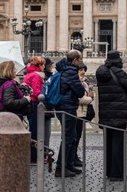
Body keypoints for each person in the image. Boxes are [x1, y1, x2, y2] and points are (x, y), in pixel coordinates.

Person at [96, 50, 127, 181]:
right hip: (119, 113)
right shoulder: (120, 73)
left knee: (108, 143)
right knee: (118, 144)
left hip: (105, 112)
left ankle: (109, 171)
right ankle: (117, 174)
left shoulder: (101, 73)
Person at [53, 50, 86, 178]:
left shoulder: (63, 70)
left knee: (73, 136)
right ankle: (60, 168)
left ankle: (69, 164)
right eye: (80, 59)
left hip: (64, 106)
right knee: (68, 138)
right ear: (76, 60)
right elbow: (80, 91)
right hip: (67, 108)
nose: (81, 61)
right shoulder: (71, 72)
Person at [22, 56, 46, 164]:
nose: (44, 67)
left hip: (29, 103)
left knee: (32, 129)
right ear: (39, 65)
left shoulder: (29, 74)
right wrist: (45, 95)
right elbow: (37, 92)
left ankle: (32, 156)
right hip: (35, 103)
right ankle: (34, 157)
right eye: (43, 64)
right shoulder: (36, 76)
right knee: (35, 130)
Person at [72, 63, 94, 169]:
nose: (83, 72)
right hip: (77, 112)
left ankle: (74, 156)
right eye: (80, 70)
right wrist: (90, 99)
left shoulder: (84, 83)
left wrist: (90, 95)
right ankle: (72, 157)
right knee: (74, 137)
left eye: (84, 70)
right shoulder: (77, 83)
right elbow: (80, 99)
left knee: (78, 136)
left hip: (82, 113)